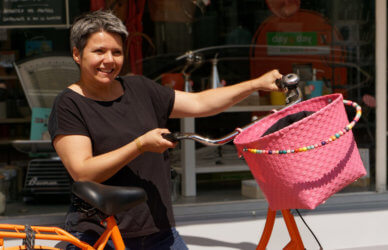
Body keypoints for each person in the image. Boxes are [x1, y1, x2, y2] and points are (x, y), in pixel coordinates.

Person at [48, 10, 284, 250]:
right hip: (100, 235)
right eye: (99, 51)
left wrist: (256, 84)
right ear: (77, 54)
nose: (109, 60)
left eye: (116, 52)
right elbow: (83, 171)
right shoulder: (69, 104)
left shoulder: (139, 88)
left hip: (159, 232)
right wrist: (140, 145)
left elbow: (200, 103)